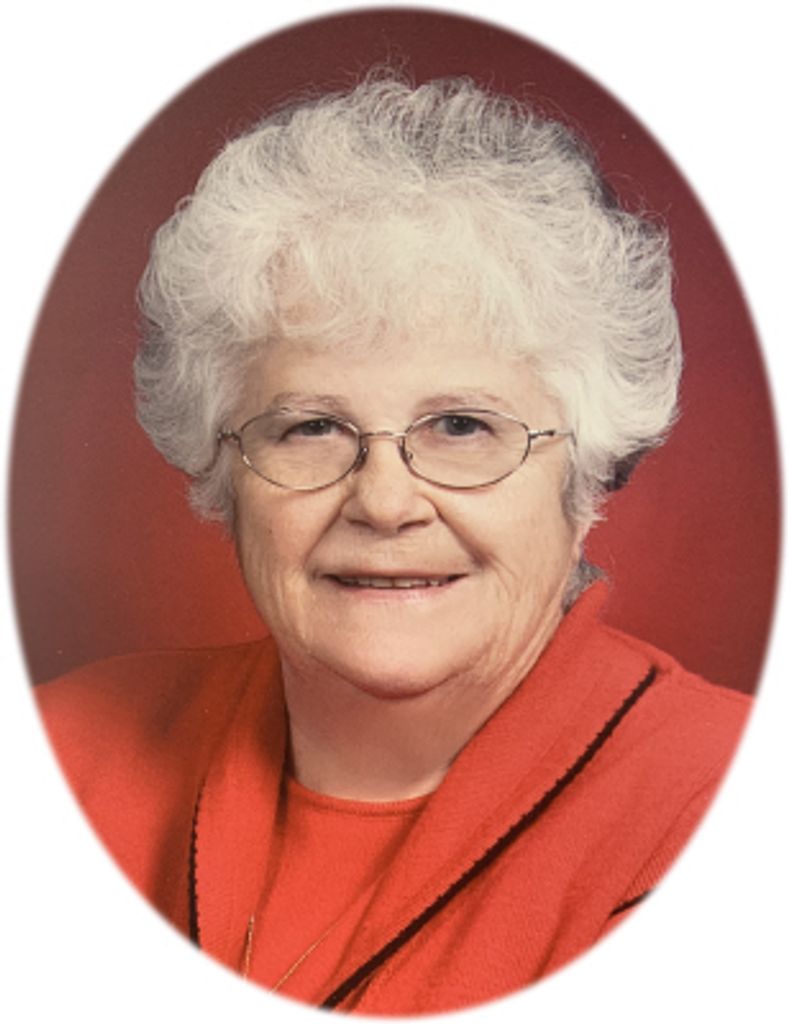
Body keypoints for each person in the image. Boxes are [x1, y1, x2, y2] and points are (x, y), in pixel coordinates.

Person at [36, 73, 750, 1014]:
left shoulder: (727, 808)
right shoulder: (58, 757)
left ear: (583, 477)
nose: (383, 501)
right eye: (310, 427)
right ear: (222, 469)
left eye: (461, 426)